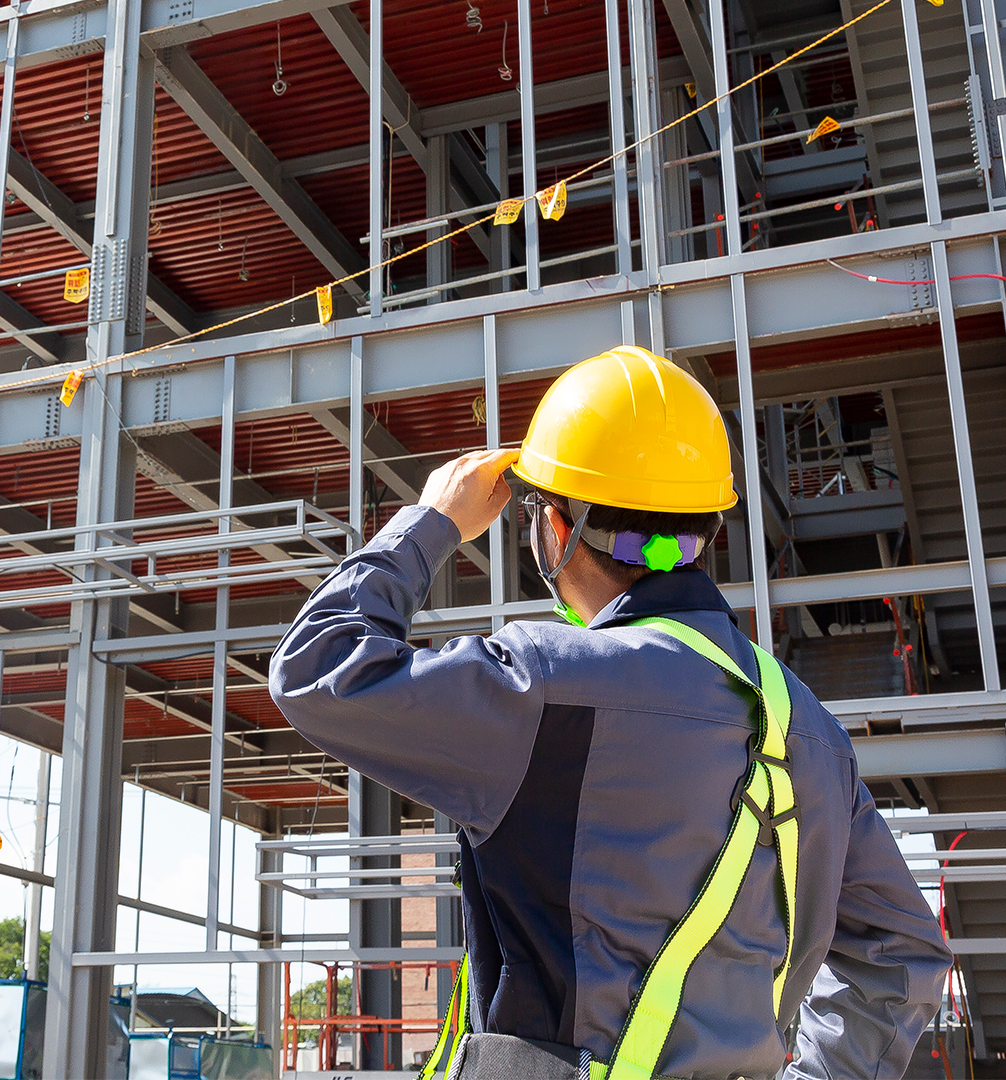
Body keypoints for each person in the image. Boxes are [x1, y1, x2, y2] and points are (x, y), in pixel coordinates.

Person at [268, 347, 950, 1080]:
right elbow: (902, 951)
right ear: (705, 528)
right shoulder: (807, 726)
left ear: (555, 532)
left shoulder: (543, 686)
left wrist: (433, 522)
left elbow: (315, 667)